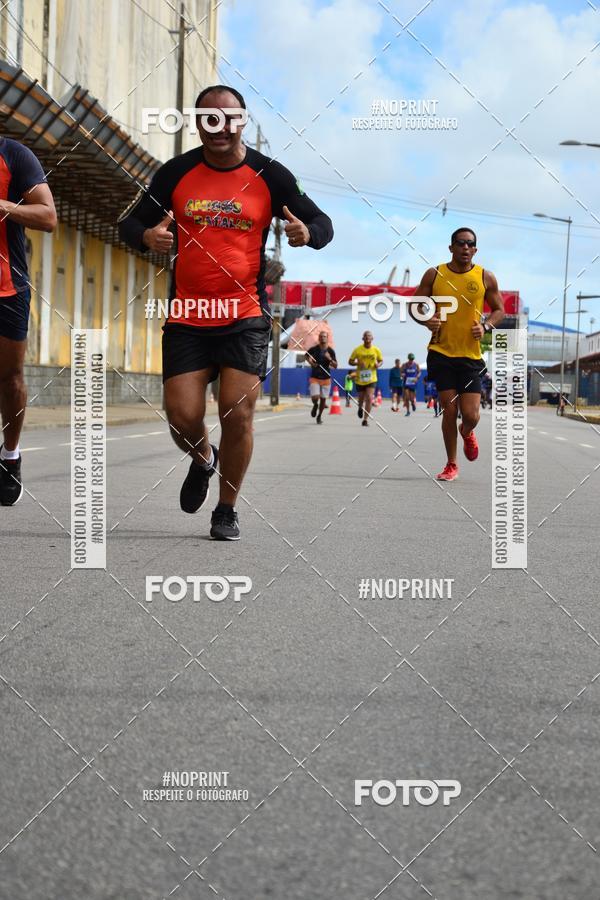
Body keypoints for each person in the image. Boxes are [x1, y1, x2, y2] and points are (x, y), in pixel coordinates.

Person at [118, 85, 333, 539]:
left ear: (242, 121)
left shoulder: (269, 174)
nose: (219, 127)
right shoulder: (175, 174)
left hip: (244, 315)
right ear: (197, 124)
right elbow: (129, 223)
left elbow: (323, 224)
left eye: (228, 118)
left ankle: (227, 508)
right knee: (181, 416)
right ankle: (203, 458)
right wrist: (146, 238)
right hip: (188, 317)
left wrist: (304, 234)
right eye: (208, 118)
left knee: (238, 414)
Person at [410, 227, 504, 481]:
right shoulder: (435, 274)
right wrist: (427, 319)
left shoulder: (485, 277)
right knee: (449, 411)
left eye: (470, 244)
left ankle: (468, 431)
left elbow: (499, 310)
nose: (465, 247)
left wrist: (485, 326)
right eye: (460, 243)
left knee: (471, 415)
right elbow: (414, 305)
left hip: (470, 356)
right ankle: (451, 464)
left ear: (475, 249)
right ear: (451, 247)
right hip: (441, 352)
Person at [0, 138, 56, 506]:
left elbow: (48, 216)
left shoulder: (13, 154)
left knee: (10, 379)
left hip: (6, 287)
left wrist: (3, 206)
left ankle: (10, 455)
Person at [348, 331, 383, 426]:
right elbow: (350, 361)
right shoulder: (357, 350)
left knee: (369, 397)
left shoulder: (376, 350)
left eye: (369, 336)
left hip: (372, 378)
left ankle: (365, 419)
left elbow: (381, 360)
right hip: (360, 378)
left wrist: (378, 365)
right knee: (361, 398)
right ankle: (360, 407)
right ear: (363, 338)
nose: (367, 337)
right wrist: (357, 363)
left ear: (372, 338)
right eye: (366, 336)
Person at [305, 330, 337, 424]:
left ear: (327, 338)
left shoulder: (331, 351)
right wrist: (311, 362)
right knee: (315, 397)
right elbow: (306, 356)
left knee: (323, 399)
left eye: (324, 336)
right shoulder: (314, 349)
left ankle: (319, 416)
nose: (323, 338)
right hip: (315, 376)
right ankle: (315, 405)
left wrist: (330, 359)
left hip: (326, 377)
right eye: (321, 336)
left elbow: (335, 365)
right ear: (319, 338)